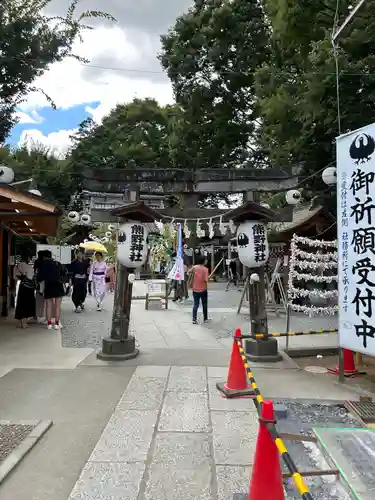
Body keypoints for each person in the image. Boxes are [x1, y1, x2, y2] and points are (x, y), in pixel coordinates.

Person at [37, 250, 66, 330]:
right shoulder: (57, 263)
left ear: (44, 257)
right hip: (58, 285)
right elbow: (64, 272)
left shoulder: (42, 265)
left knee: (48, 306)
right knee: (57, 306)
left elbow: (40, 278)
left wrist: (41, 289)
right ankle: (57, 324)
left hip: (48, 285)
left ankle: (49, 324)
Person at [14, 255, 36, 328]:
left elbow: (15, 277)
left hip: (21, 286)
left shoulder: (16, 267)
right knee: (28, 303)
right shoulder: (29, 267)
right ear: (27, 259)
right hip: (29, 288)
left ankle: (20, 321)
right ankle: (24, 322)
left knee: (20, 302)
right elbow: (31, 277)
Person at [189, 254, 209, 324]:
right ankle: (205, 318)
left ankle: (194, 319)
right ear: (203, 261)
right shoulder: (205, 269)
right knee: (204, 304)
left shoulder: (194, 267)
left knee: (196, 304)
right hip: (203, 289)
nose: (206, 261)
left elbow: (188, 272)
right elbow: (206, 280)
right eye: (206, 260)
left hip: (195, 289)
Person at [34, 250, 47, 323]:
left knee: (38, 298)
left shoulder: (37, 261)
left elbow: (35, 271)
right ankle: (43, 315)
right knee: (45, 300)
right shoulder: (45, 262)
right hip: (45, 282)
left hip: (39, 283)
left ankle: (37, 314)